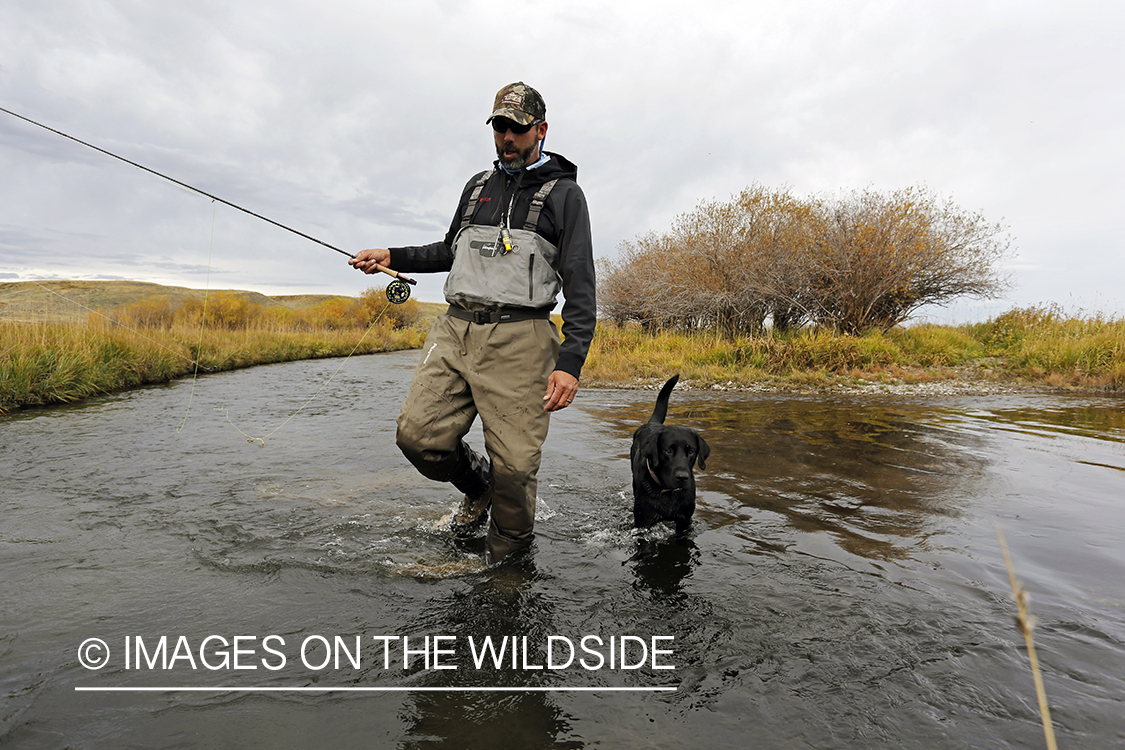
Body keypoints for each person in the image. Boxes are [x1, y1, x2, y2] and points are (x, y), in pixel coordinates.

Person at [350, 82, 596, 564]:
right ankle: (477, 486)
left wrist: (571, 362)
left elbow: (582, 288)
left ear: (540, 130)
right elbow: (448, 250)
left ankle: (507, 569)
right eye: (499, 127)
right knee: (418, 437)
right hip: (454, 330)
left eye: (517, 129)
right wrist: (391, 254)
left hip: (522, 339)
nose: (506, 138)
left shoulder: (566, 196)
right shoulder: (477, 186)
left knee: (516, 470)